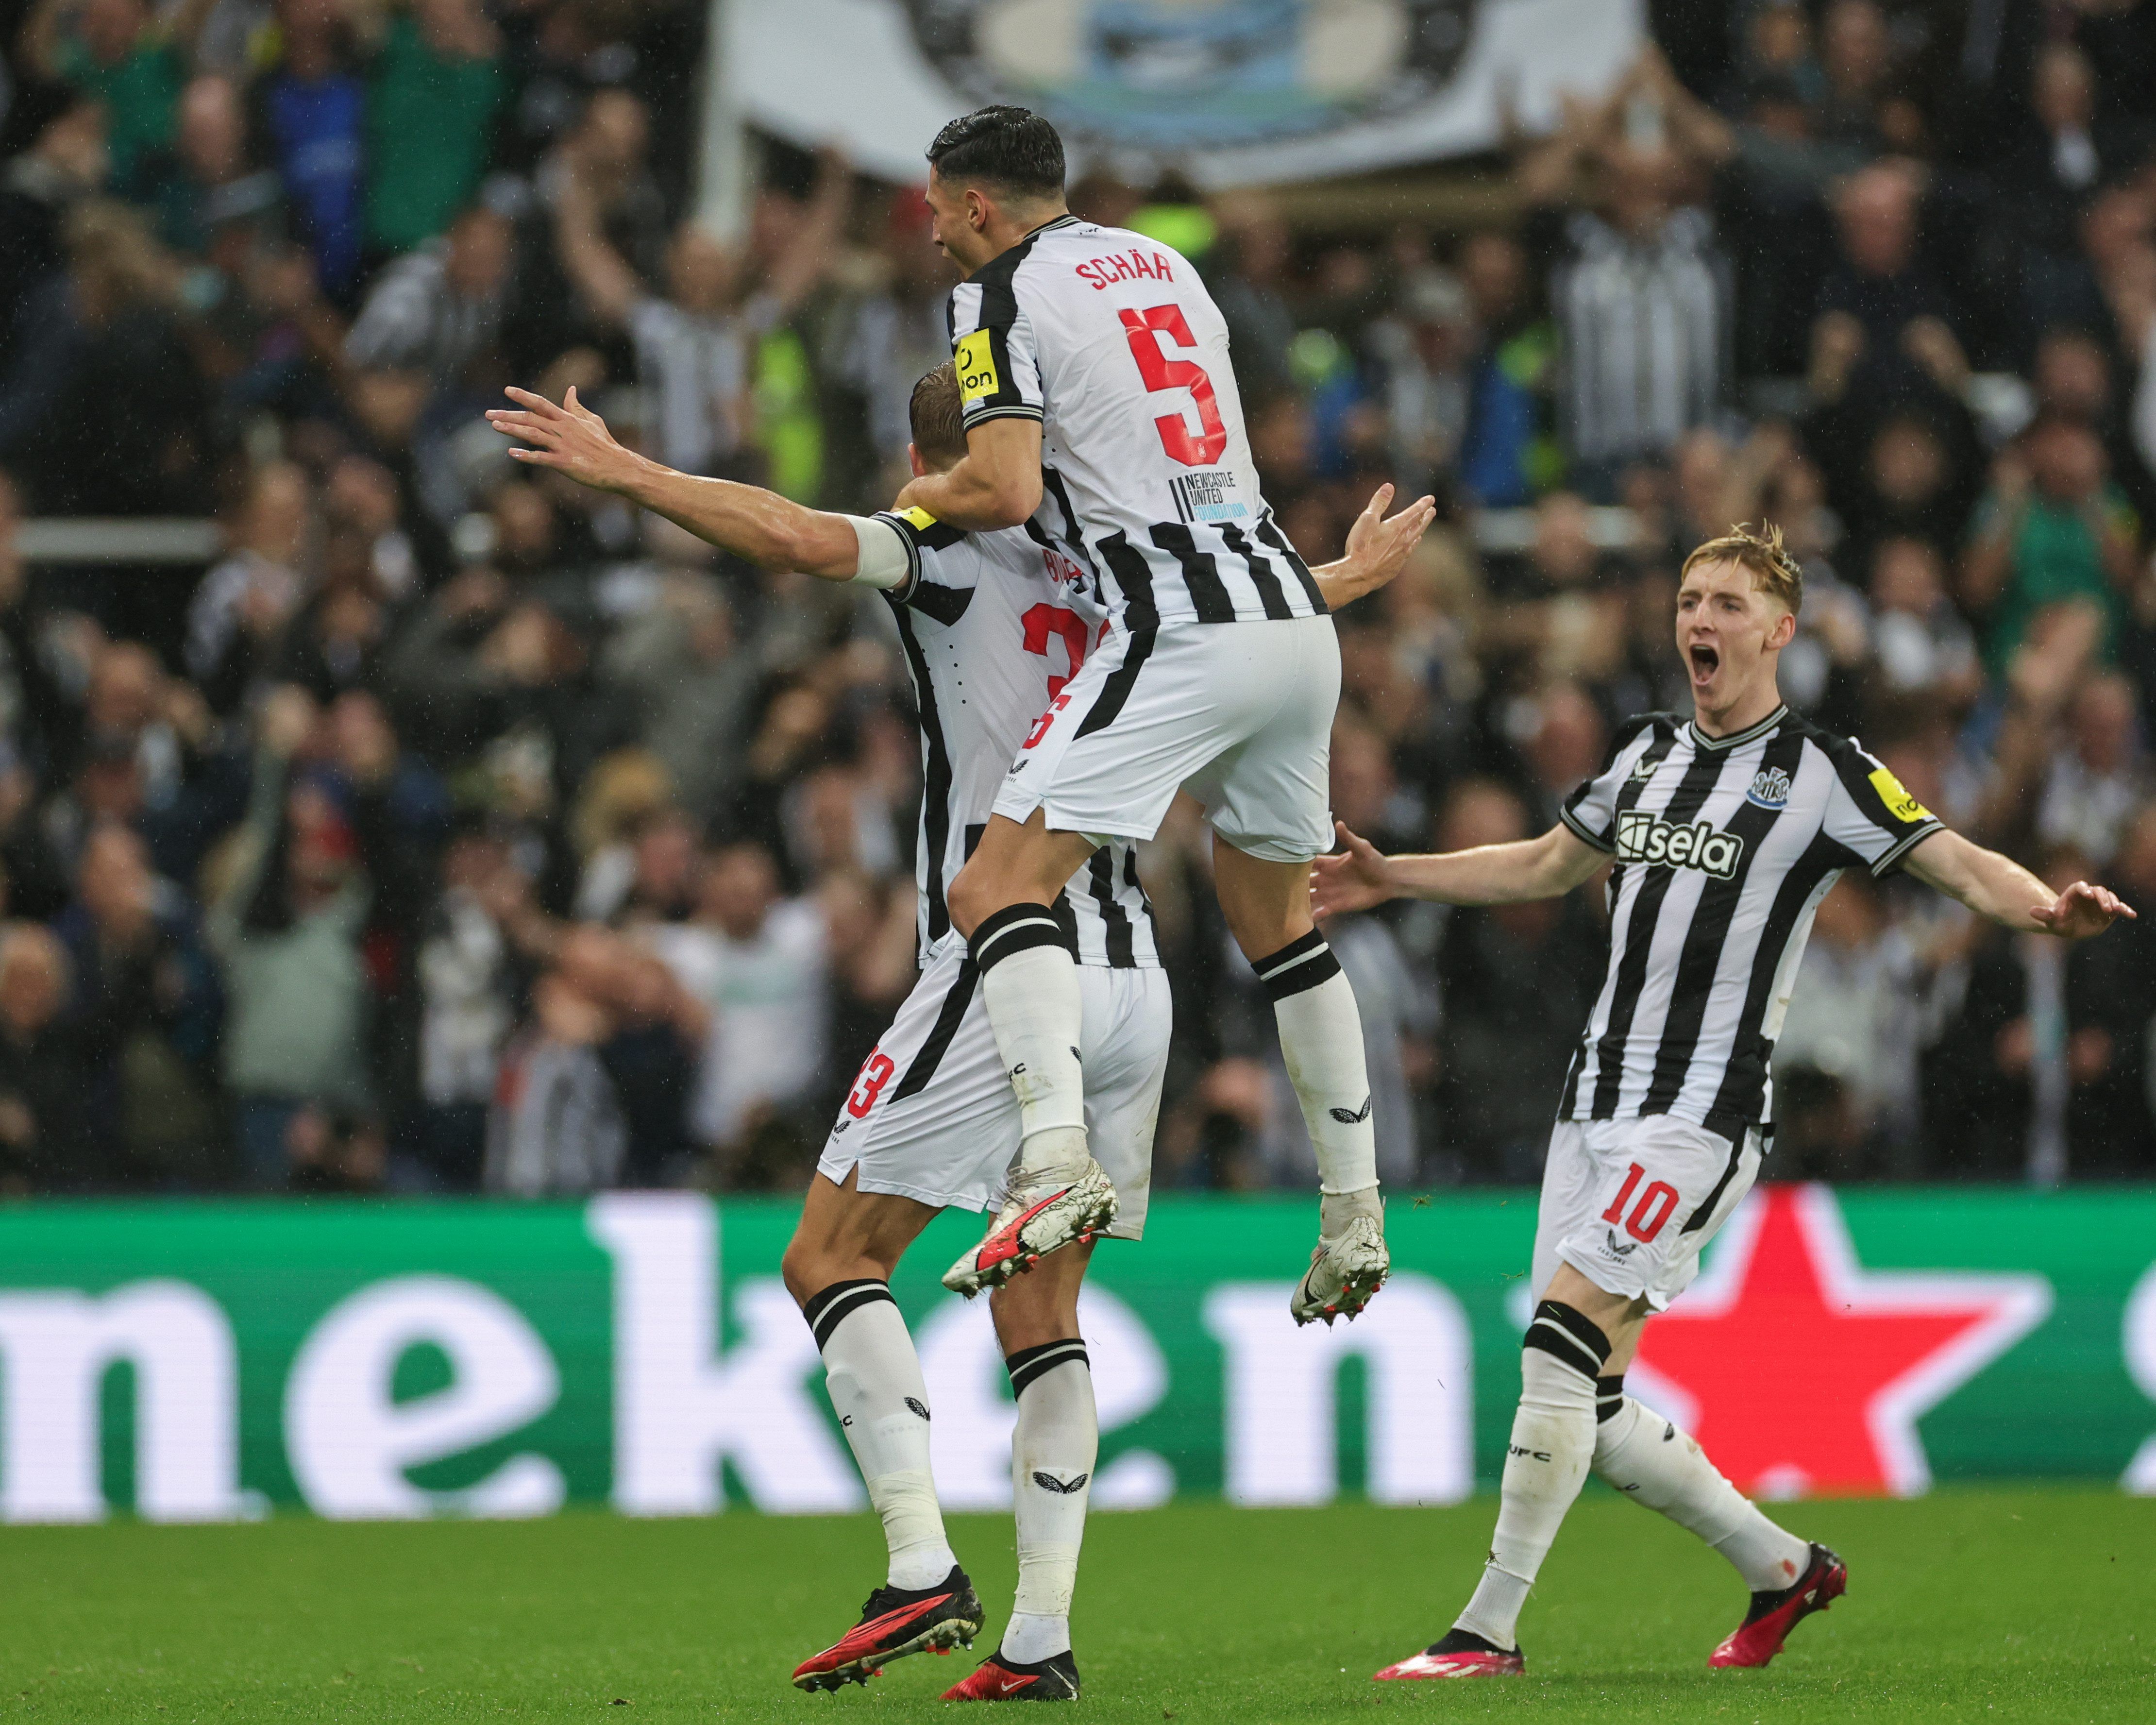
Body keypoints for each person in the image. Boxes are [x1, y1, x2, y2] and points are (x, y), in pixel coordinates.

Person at [485, 362, 1429, 1699]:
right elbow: (1255, 614)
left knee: (826, 1259)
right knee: (1045, 1317)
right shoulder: (1125, 566)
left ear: (928, 459)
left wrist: (630, 471)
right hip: (1131, 977)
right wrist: (1339, 576)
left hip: (1007, 957)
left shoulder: (937, 542)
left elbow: (798, 537)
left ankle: (922, 1567)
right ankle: (1039, 1645)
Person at [1312, 523, 2135, 1681]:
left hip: (1699, 1114)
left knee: (1557, 1341)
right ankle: (1786, 1568)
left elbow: (1949, 857)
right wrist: (1394, 873)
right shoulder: (1643, 754)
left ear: (1781, 630)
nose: (1702, 621)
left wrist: (2048, 910)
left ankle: (1484, 1631)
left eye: (1731, 605)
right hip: (1592, 1102)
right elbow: (1548, 864)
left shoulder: (1827, 772)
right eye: (1692, 601)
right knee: (1584, 1403)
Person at [892, 105, 1434, 1323]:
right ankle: (1354, 1211)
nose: (930, 237)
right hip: (1292, 620)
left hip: (1177, 630)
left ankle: (1053, 1160)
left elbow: (1008, 484)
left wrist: (908, 518)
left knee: (991, 888)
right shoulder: (1166, 265)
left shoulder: (991, 298)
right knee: (1281, 929)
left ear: (978, 205)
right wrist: (1335, 579)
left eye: (935, 210)